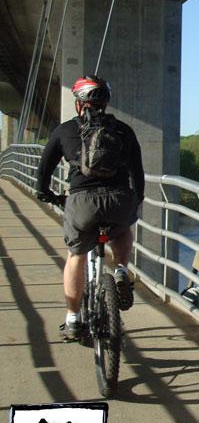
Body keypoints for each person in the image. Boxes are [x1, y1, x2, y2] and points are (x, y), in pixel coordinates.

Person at [36, 75, 145, 341]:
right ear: (105, 103)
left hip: (82, 203)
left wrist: (45, 194)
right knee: (122, 230)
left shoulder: (65, 131)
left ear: (78, 104)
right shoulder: (123, 130)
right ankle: (120, 270)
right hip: (119, 201)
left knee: (76, 255)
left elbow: (44, 171)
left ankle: (73, 319)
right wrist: (136, 199)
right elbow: (138, 172)